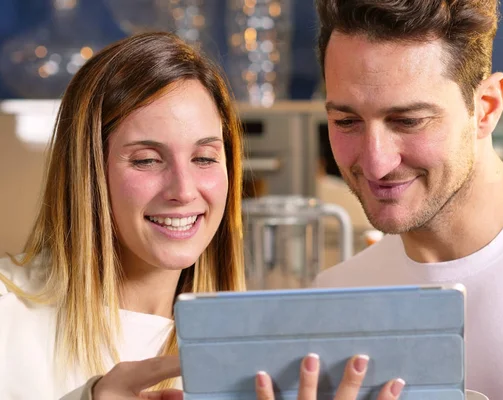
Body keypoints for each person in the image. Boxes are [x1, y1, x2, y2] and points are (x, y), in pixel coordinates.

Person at [0, 32, 404, 400]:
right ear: (87, 172)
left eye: (204, 158)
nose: (183, 190)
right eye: (146, 160)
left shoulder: (262, 350)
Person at [312, 0, 503, 399]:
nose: (376, 163)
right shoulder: (332, 300)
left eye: (409, 121)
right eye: (346, 122)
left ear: (485, 108)